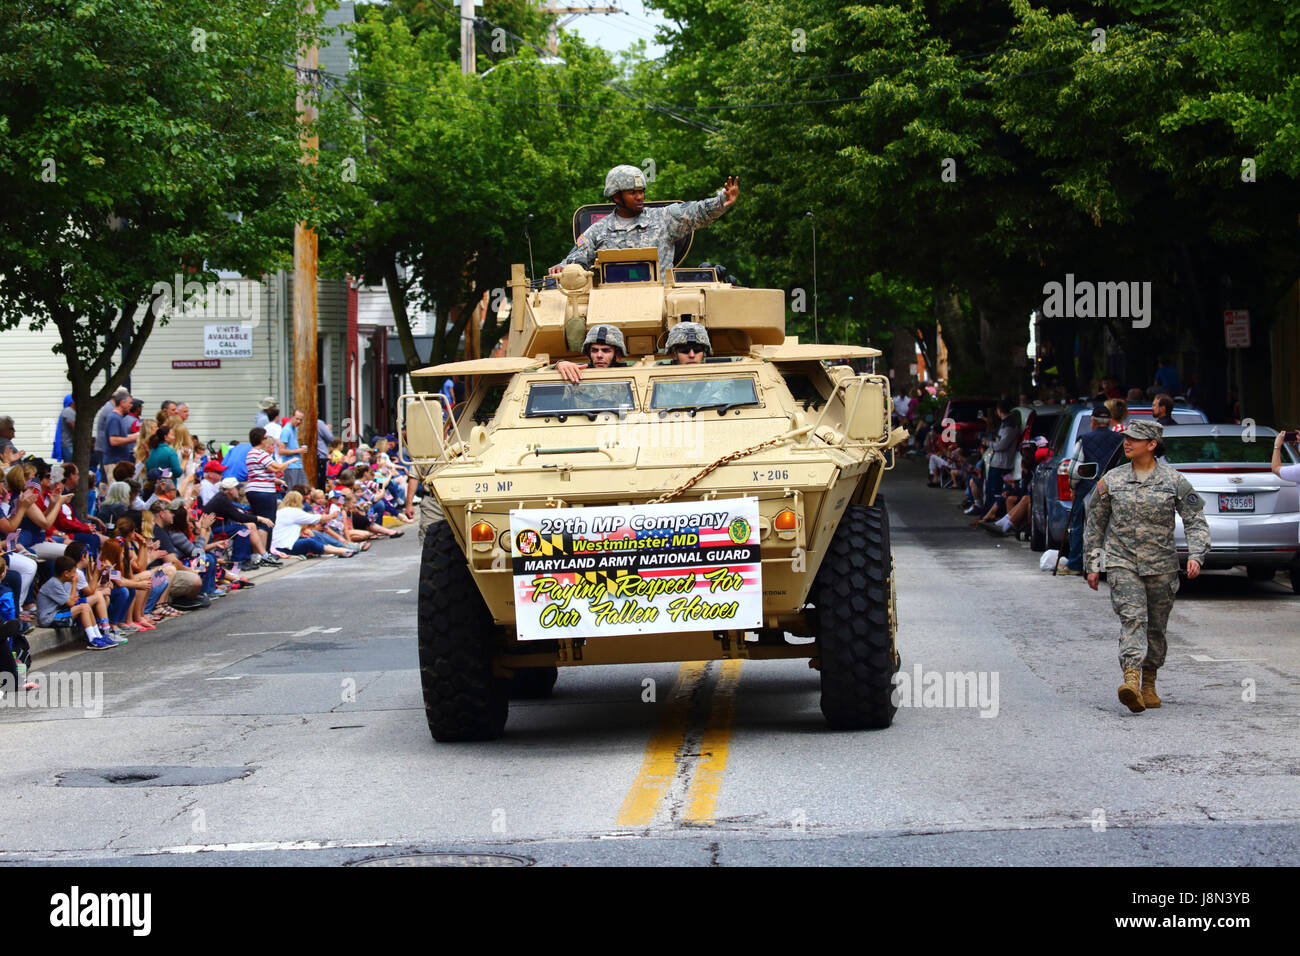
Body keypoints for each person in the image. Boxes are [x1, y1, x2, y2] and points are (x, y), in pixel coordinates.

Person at [1084, 419, 1210, 713]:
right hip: (1121, 562)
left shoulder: (1174, 481)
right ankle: (1131, 678)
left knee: (1156, 628)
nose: (1127, 443)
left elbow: (1195, 520)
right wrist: (1093, 564)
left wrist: (1196, 554)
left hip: (1162, 566)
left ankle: (1149, 682)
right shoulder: (1111, 481)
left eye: (1135, 439)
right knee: (1133, 619)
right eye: (1126, 438)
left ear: (1152, 445)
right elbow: (1095, 525)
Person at [548, 166, 740, 279]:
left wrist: (722, 200)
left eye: (641, 191)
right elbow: (574, 260)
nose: (640, 197)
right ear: (616, 196)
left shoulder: (664, 219)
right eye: (633, 193)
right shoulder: (598, 231)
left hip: (663, 306)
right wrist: (562, 267)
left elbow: (696, 211)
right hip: (611, 307)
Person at [1062, 403, 1125, 575]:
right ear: (1108, 421)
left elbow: (1074, 470)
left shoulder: (1085, 440)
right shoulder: (1120, 439)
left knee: (1079, 526)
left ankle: (1075, 564)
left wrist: (1073, 488)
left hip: (1088, 488)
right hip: (1113, 488)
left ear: (1093, 422)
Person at [37, 556, 118, 650]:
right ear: (66, 573)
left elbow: (68, 600)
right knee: (83, 607)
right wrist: (74, 583)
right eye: (74, 572)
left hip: (56, 613)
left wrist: (72, 598)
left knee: (86, 606)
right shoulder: (54, 583)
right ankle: (92, 640)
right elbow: (70, 603)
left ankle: (98, 636)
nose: (76, 575)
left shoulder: (59, 582)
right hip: (48, 618)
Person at [272, 491, 355, 558]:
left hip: (279, 545)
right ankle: (341, 550)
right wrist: (332, 516)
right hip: (285, 547)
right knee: (309, 541)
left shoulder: (279, 512)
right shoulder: (293, 511)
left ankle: (339, 548)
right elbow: (315, 518)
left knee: (313, 536)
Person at [244, 427, 287, 527]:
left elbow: (261, 474)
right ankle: (264, 542)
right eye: (265, 438)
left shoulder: (250, 453)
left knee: (258, 520)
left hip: (252, 490)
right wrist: (291, 461)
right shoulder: (261, 454)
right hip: (264, 491)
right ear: (261, 440)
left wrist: (279, 481)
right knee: (267, 523)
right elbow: (277, 468)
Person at [556, 325, 628, 383]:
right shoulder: (578, 371)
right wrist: (560, 364)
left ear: (618, 355)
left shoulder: (628, 371)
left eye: (606, 351)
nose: (599, 355)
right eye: (594, 350)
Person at [102, 390, 137, 467]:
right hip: (114, 463)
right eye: (130, 403)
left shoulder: (118, 417)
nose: (131, 405)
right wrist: (133, 439)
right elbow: (114, 441)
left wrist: (137, 435)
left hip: (118, 462)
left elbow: (121, 437)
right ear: (122, 403)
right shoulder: (114, 418)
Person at [278, 409, 310, 488]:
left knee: (304, 489)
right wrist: (298, 450)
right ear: (292, 417)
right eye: (297, 419)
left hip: (298, 464)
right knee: (292, 491)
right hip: (290, 466)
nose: (298, 421)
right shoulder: (286, 430)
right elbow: (281, 451)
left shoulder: (295, 428)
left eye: (300, 420)